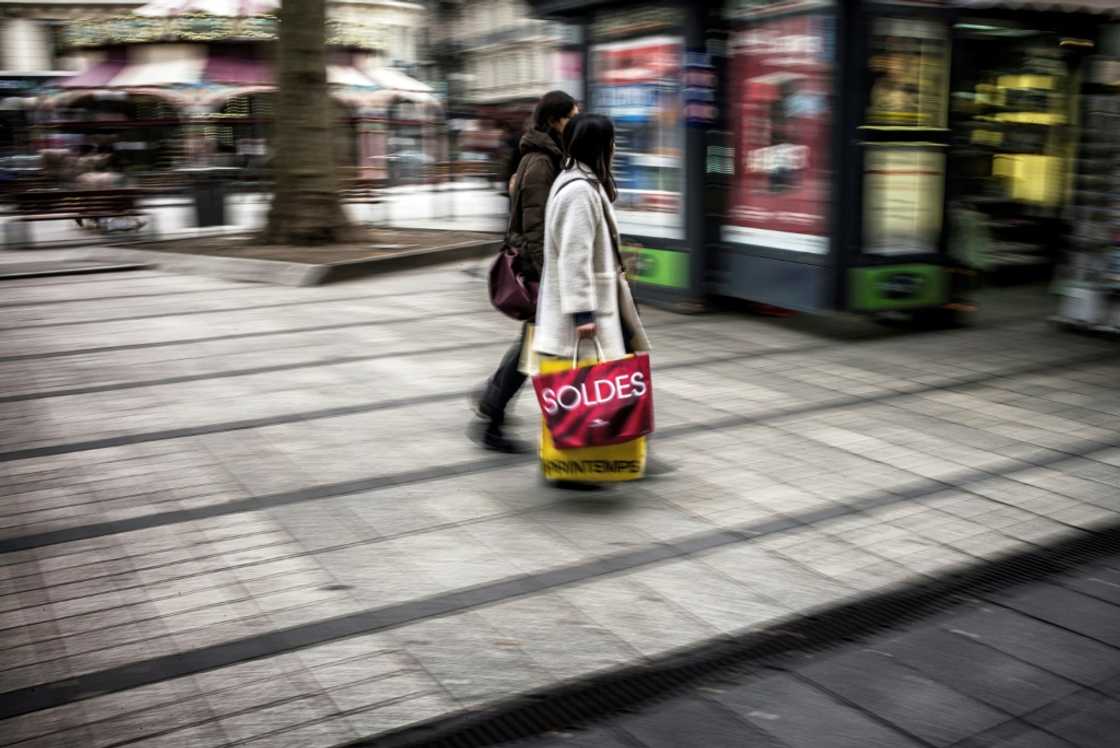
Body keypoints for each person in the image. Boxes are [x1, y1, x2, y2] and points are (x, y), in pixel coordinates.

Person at [471, 90, 579, 453]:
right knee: (533, 346)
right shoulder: (540, 163)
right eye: (571, 116)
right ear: (554, 120)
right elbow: (535, 228)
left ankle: (491, 406)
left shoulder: (549, 157)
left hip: (549, 270)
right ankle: (491, 414)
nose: (575, 122)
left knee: (532, 345)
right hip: (544, 271)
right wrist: (550, 277)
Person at [531, 112, 650, 377]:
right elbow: (574, 256)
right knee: (592, 398)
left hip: (600, 303)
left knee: (606, 392)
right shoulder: (579, 192)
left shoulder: (581, 181)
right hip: (588, 314)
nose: (615, 147)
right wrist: (583, 315)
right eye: (612, 141)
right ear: (600, 145)